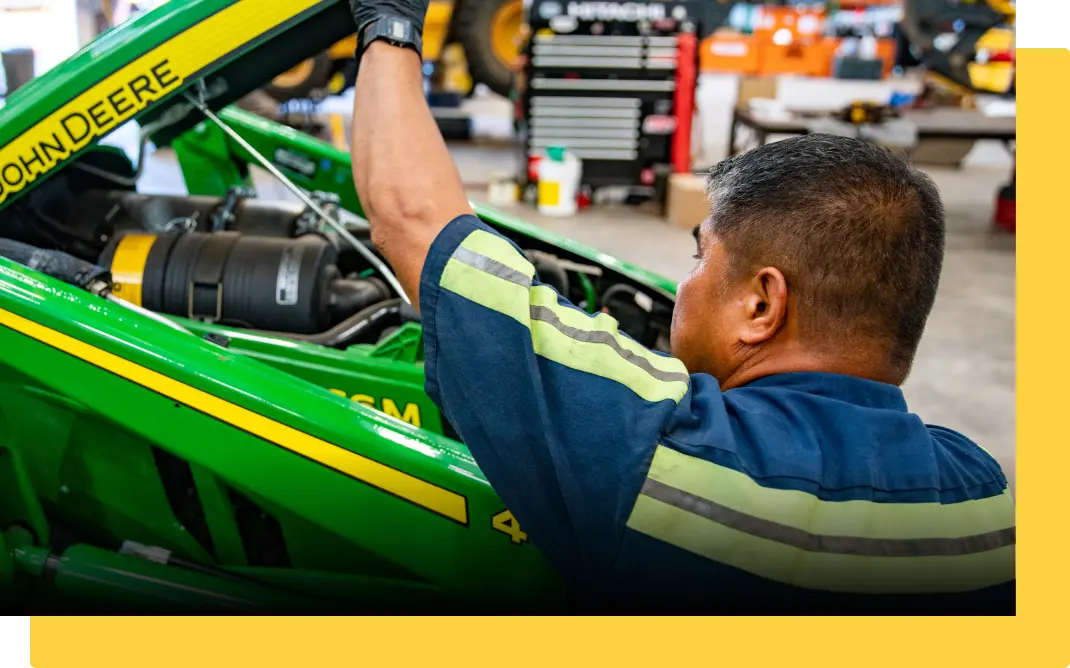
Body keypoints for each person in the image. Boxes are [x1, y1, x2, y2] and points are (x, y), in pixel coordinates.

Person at [346, 0, 1015, 614]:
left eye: (700, 258)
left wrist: (390, 25)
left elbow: (413, 221)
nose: (686, 284)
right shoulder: (986, 501)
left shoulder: (660, 456)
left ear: (761, 304)